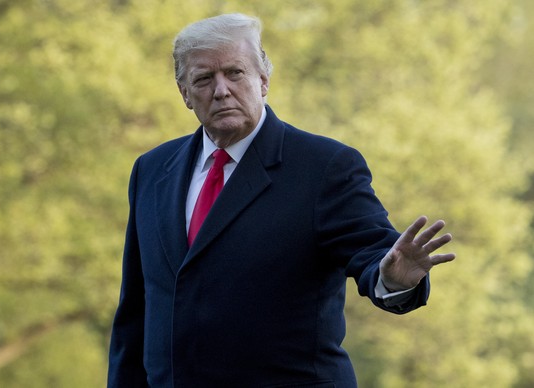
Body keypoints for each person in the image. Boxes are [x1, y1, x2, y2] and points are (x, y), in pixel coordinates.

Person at [107, 13, 456, 388]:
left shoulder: (325, 167)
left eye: (235, 73)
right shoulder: (152, 169)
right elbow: (137, 312)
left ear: (263, 79)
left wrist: (391, 279)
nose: (221, 90)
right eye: (204, 79)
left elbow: (376, 254)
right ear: (184, 93)